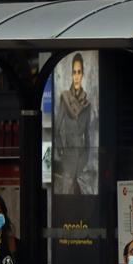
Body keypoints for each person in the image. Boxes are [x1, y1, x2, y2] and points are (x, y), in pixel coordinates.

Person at [53, 53, 93, 195]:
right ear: (71, 74)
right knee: (66, 195)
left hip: (81, 157)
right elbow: (56, 129)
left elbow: (88, 133)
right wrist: (61, 151)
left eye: (79, 72)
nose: (76, 76)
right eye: (74, 72)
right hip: (68, 156)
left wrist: (86, 157)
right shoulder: (65, 98)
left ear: (82, 75)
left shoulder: (87, 104)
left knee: (85, 196)